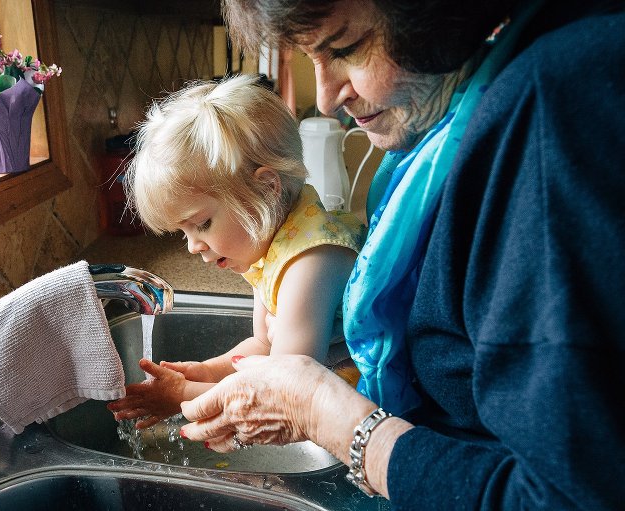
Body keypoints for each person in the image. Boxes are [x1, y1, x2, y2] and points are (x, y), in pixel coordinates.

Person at [178, 0, 625, 509]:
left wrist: (330, 416)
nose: (325, 98)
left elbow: (565, 498)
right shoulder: (468, 107)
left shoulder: (554, 111)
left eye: (345, 48)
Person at [107, 74, 366, 429]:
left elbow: (282, 390)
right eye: (183, 231)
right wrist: (207, 371)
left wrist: (183, 395)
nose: (192, 245)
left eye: (202, 224)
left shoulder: (310, 262)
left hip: (358, 412)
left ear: (265, 190)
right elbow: (263, 344)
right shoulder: (274, 246)